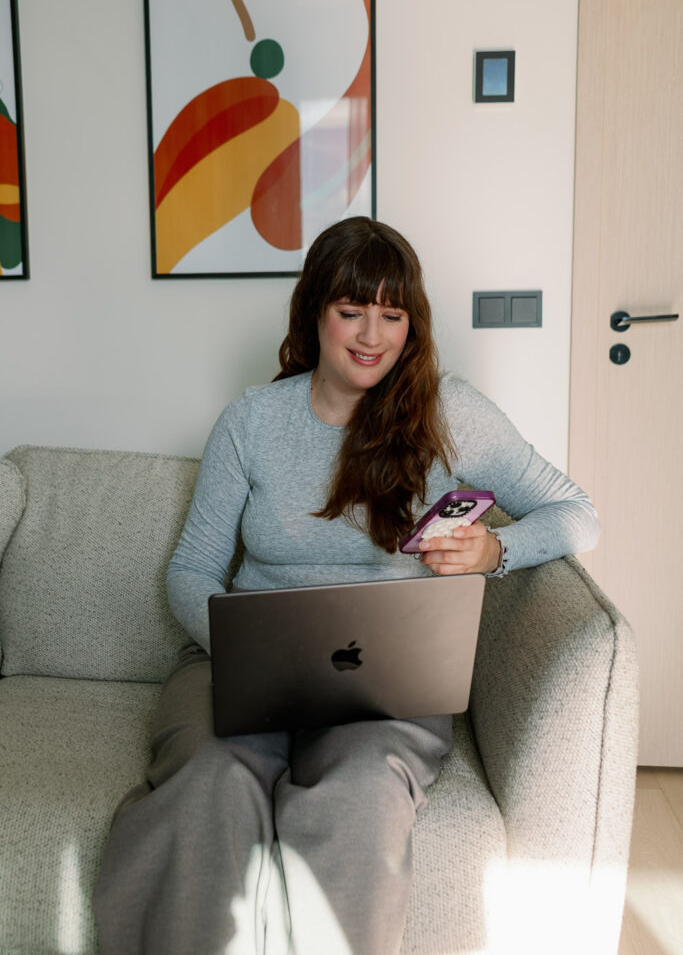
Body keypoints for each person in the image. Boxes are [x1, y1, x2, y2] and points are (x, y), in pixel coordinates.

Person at [93, 216, 600, 955]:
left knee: (360, 796)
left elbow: (577, 513)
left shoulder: (450, 412)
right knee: (207, 781)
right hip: (241, 666)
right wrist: (246, 648)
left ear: (411, 325)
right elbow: (191, 570)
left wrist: (495, 550)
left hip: (384, 683)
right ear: (314, 313)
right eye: (351, 310)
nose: (371, 335)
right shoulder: (251, 421)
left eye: (391, 315)